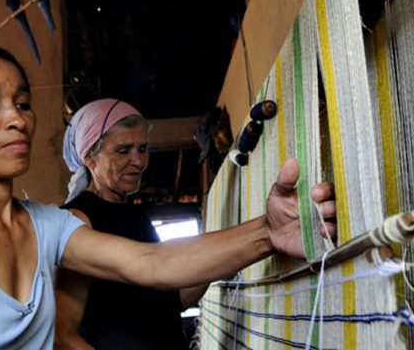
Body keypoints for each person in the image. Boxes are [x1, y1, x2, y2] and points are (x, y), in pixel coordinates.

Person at [0, 44, 336, 350]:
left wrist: (267, 233)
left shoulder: (46, 225)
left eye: (23, 103)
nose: (17, 119)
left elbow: (151, 265)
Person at [55, 99, 336, 350]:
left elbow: (175, 298)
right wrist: (265, 233)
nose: (138, 161)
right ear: (89, 158)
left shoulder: (134, 216)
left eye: (143, 149)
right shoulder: (78, 220)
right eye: (124, 150)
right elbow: (61, 335)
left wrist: (228, 254)